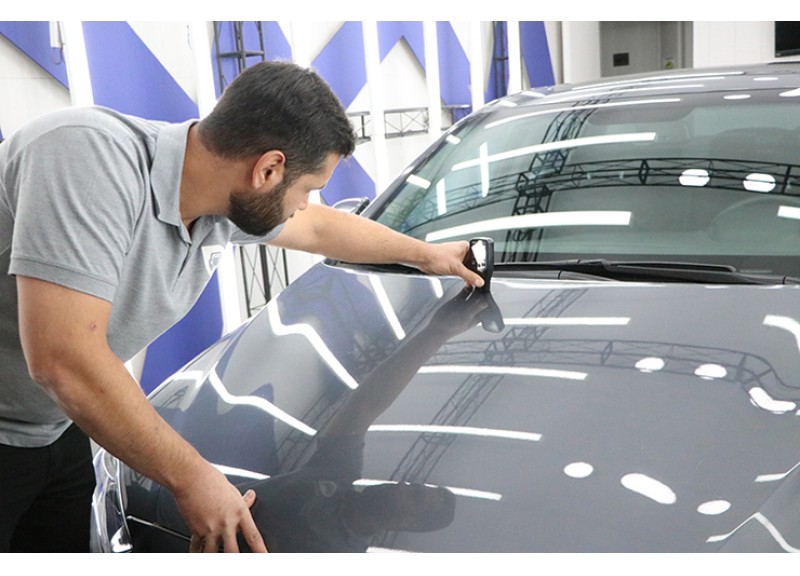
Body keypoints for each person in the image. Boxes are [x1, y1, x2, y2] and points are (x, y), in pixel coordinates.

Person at [0, 60, 484, 553]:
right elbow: (63, 359)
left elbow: (319, 228)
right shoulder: (85, 158)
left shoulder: (216, 201)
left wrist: (426, 255)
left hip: (54, 428)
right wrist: (193, 477)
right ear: (267, 169)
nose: (304, 204)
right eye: (307, 189)